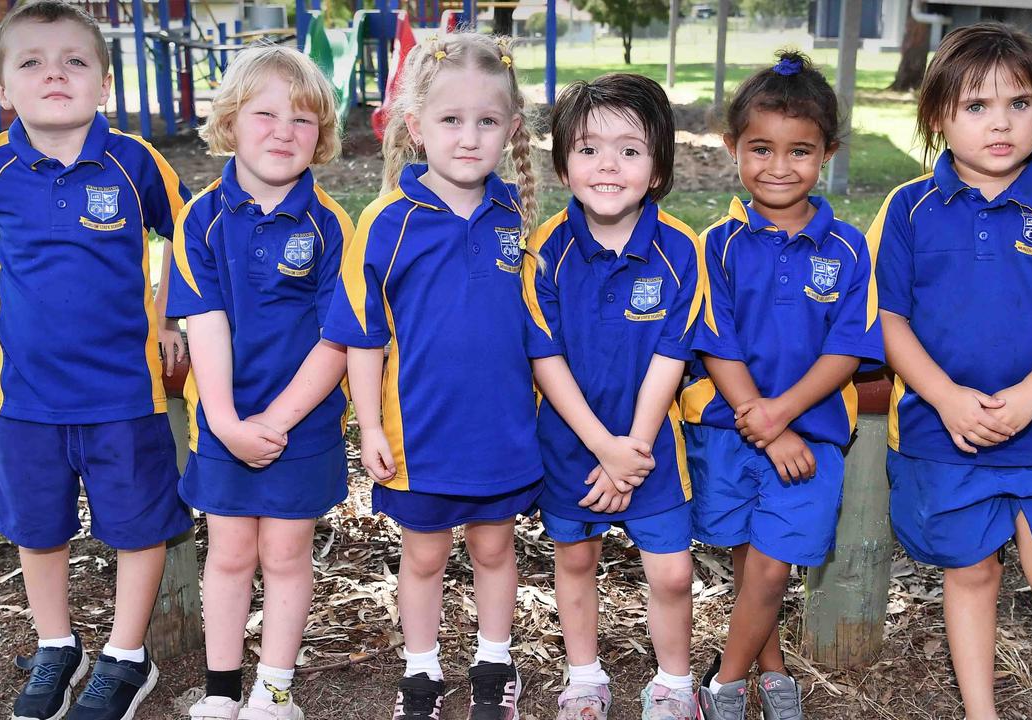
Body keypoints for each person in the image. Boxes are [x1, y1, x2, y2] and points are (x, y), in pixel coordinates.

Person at [874, 22, 1032, 720]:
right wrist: (947, 398)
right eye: (977, 107)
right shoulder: (907, 209)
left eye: (1019, 103)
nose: (1001, 124)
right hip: (943, 428)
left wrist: (1028, 397)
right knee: (971, 569)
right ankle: (980, 713)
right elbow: (888, 320)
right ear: (938, 116)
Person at [0, 1, 191, 718]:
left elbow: (182, 236)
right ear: (3, 89)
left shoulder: (133, 161)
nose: (53, 72)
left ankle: (127, 655)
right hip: (24, 396)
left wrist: (168, 317)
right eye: (30, 61)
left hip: (124, 389)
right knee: (38, 525)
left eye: (74, 60)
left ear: (103, 85)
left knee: (139, 523)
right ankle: (56, 644)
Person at [322, 31, 541, 720]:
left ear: (511, 128)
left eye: (487, 121)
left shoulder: (515, 214)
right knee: (422, 559)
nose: (469, 137)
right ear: (416, 126)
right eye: (451, 120)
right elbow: (361, 335)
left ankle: (494, 664)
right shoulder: (387, 221)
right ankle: (420, 675)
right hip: (420, 436)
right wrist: (370, 426)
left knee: (495, 548)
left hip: (502, 431)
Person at [682, 50, 885, 720]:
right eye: (760, 148)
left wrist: (782, 419)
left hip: (813, 437)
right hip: (729, 428)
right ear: (732, 147)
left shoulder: (849, 248)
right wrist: (760, 421)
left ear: (826, 153)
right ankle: (771, 668)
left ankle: (724, 685)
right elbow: (717, 342)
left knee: (773, 566)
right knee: (749, 559)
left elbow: (849, 348)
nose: (778, 167)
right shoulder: (716, 245)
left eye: (799, 151)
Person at [165, 45, 354, 720]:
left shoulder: (330, 223)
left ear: (322, 136)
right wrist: (224, 421)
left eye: (303, 120)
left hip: (301, 422)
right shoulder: (202, 218)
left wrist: (276, 422)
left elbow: (340, 337)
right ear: (230, 124)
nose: (283, 131)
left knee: (285, 551)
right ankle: (221, 691)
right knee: (231, 551)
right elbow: (205, 324)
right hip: (224, 418)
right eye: (265, 114)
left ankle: (274, 691)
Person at [522, 72, 702, 720]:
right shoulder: (543, 251)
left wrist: (633, 451)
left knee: (673, 573)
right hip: (570, 445)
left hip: (651, 449)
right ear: (564, 162)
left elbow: (671, 357)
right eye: (590, 148)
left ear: (657, 168)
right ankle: (584, 676)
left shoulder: (682, 251)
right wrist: (604, 448)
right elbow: (545, 357)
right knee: (575, 559)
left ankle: (676, 687)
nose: (608, 165)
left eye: (630, 150)